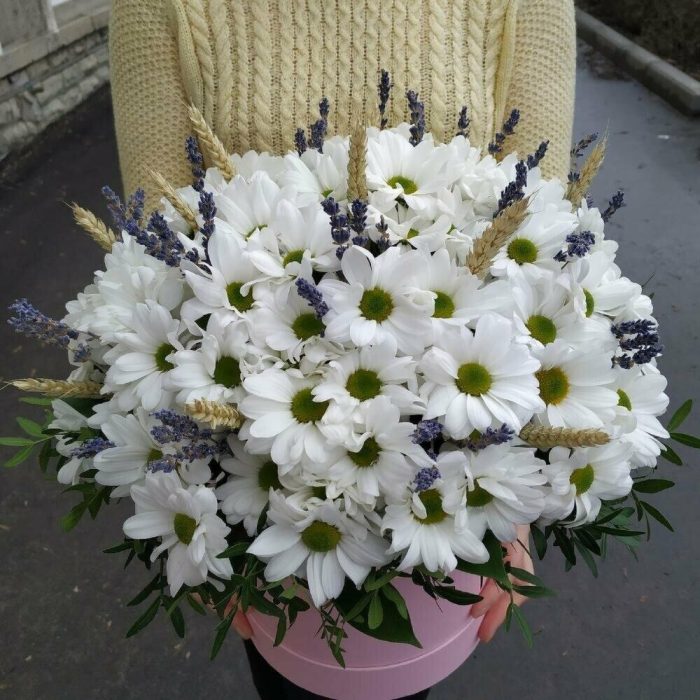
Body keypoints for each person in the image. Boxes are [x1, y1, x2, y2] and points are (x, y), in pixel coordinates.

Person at [109, 1, 574, 697]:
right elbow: (160, 253)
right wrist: (195, 527)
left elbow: (541, 236)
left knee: (406, 679)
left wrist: (508, 497)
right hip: (260, 476)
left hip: (451, 459)